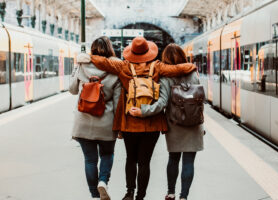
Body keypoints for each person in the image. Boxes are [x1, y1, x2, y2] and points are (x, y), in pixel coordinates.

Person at [77, 37, 197, 200]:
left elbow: (104, 63)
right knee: (144, 162)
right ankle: (141, 195)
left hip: (130, 121)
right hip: (152, 123)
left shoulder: (123, 66)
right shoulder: (157, 67)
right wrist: (190, 65)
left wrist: (89, 57)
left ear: (131, 52)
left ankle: (130, 192)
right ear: (148, 52)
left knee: (131, 159)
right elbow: (176, 70)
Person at [129, 43, 204, 200]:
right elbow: (199, 100)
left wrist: (143, 111)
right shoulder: (193, 73)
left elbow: (161, 104)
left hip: (175, 124)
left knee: (174, 159)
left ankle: (171, 193)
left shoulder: (166, 78)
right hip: (194, 124)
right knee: (189, 161)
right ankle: (184, 197)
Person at [70, 36, 121, 200]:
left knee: (90, 160)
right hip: (106, 122)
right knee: (107, 155)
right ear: (110, 50)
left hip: (83, 121)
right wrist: (119, 127)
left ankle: (94, 195)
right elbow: (118, 101)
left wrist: (76, 68)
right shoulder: (115, 69)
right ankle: (103, 182)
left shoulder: (82, 65)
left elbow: (72, 89)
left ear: (92, 49)